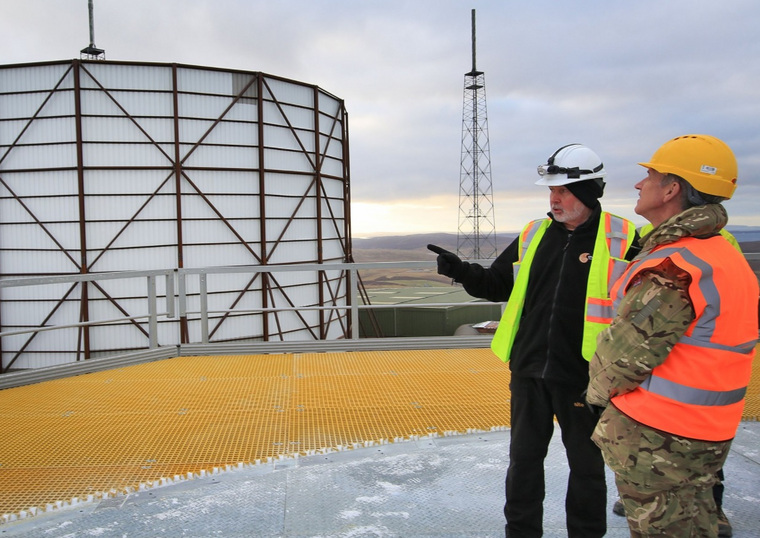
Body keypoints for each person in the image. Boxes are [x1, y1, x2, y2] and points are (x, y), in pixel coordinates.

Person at [428, 143, 639, 537]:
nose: (553, 199)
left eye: (562, 191)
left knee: (587, 468)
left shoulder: (625, 238)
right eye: (551, 191)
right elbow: (496, 284)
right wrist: (462, 272)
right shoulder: (534, 233)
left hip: (585, 376)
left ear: (589, 192)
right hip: (528, 370)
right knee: (523, 462)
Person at [586, 134, 759, 537]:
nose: (639, 183)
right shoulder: (722, 255)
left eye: (649, 175)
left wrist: (595, 397)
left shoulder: (674, 267)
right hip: (707, 432)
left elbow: (622, 358)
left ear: (671, 188)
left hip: (660, 441)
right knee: (697, 523)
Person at [611, 224, 743, 538]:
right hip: (658, 367)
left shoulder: (715, 241)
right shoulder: (645, 237)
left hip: (696, 368)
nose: (641, 186)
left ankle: (713, 509)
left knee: (697, 450)